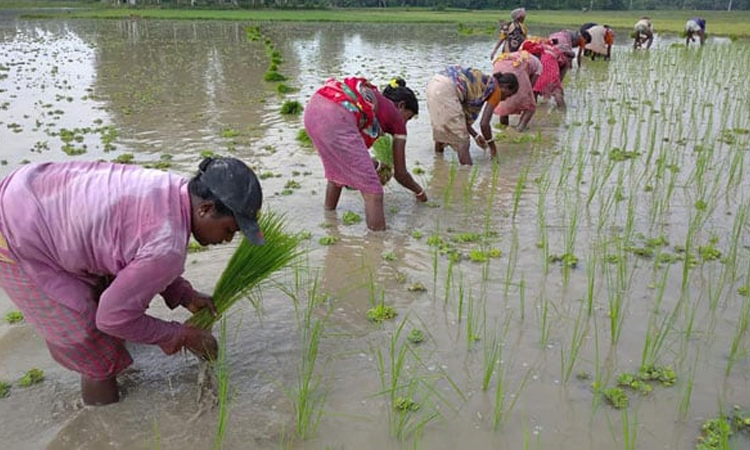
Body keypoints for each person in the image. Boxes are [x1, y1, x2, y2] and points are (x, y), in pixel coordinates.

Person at [0, 157, 265, 406]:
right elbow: (111, 318)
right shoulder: (168, 247)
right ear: (206, 209)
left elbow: (138, 249)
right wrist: (182, 335)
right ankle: (102, 427)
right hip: (15, 234)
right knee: (93, 346)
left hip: (28, 189)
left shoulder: (171, 188)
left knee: (108, 298)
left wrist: (184, 293)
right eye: (229, 229)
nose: (228, 239)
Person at [303, 76, 426, 231]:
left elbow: (352, 156)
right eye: (408, 118)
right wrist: (420, 192)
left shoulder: (373, 100)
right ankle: (376, 246)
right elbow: (400, 173)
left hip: (314, 109)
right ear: (401, 106)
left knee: (336, 173)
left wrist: (374, 164)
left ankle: (329, 220)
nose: (405, 123)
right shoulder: (396, 119)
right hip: (337, 115)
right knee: (373, 191)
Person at [425, 65, 519, 166]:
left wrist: (476, 135)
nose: (505, 99)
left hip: (434, 84)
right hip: (448, 88)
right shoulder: (496, 90)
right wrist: (493, 149)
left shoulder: (484, 82)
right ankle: (466, 177)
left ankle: (438, 166)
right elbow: (484, 124)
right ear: (505, 86)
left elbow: (461, 118)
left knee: (442, 133)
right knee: (463, 142)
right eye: (508, 95)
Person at [492, 50, 542, 132]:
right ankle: (520, 128)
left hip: (499, 65)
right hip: (517, 68)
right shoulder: (538, 63)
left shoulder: (519, 54)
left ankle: (503, 129)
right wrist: (524, 96)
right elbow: (531, 85)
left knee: (504, 104)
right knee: (531, 107)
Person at [521, 39, 567, 109]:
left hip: (537, 74)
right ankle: (562, 111)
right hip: (552, 74)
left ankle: (533, 110)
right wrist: (560, 79)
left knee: (534, 93)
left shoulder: (533, 49)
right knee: (557, 92)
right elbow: (564, 62)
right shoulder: (554, 49)